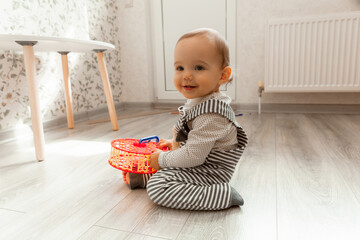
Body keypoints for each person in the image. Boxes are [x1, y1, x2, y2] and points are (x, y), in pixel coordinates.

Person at [124, 28, 248, 210]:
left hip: (209, 172)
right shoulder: (199, 102)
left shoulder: (212, 115)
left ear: (222, 75)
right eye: (180, 68)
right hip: (198, 163)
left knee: (158, 187)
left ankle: (222, 195)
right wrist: (174, 143)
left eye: (198, 67)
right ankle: (146, 176)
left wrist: (162, 160)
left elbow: (193, 156)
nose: (186, 75)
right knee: (166, 165)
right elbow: (193, 141)